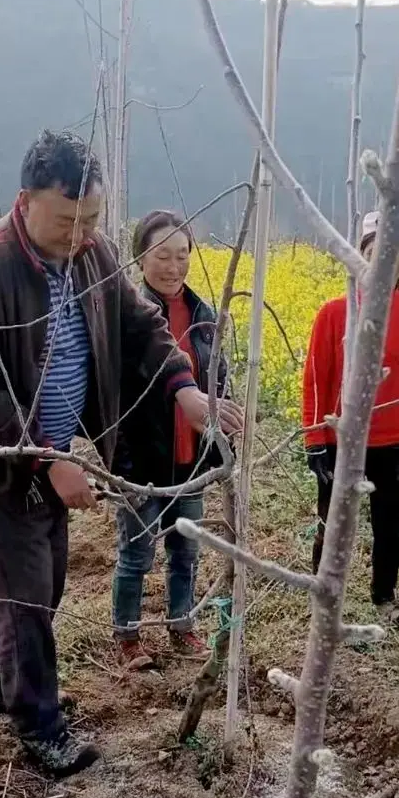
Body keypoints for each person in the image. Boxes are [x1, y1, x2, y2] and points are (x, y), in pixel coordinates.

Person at [0, 131, 242, 779]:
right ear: (26, 202)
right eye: (66, 220)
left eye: (92, 220)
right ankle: (39, 724)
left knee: (43, 582)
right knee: (25, 596)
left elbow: (143, 325)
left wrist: (185, 389)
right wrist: (48, 459)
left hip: (58, 452)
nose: (80, 233)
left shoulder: (93, 254)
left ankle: (4, 682)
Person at [301, 211, 399, 623]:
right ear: (358, 255)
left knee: (389, 528)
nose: (383, 260)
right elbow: (314, 381)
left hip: (394, 448)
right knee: (331, 525)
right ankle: (322, 595)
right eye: (373, 250)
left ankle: (384, 598)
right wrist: (315, 442)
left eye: (393, 252)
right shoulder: (333, 313)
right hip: (341, 442)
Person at [110, 210, 228, 670]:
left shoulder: (203, 314)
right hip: (142, 460)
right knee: (136, 554)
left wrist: (221, 430)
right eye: (162, 255)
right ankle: (127, 637)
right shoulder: (127, 317)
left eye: (182, 256)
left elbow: (217, 381)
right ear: (140, 258)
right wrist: (120, 463)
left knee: (186, 551)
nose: (173, 266)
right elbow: (112, 398)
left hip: (191, 459)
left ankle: (182, 627)